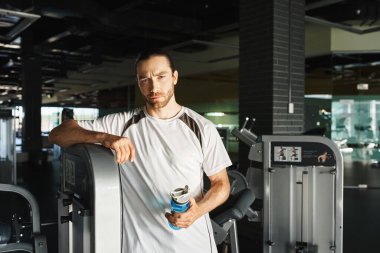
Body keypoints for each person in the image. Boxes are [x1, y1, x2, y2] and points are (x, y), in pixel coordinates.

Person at [48, 48, 231, 253]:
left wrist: (198, 211)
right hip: (141, 247)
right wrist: (105, 137)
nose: (153, 86)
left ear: (174, 77)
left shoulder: (201, 127)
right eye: (145, 79)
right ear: (139, 83)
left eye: (161, 76)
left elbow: (221, 185)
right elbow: (58, 134)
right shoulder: (120, 124)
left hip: (193, 246)